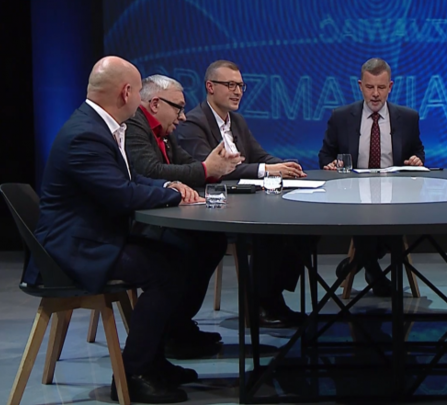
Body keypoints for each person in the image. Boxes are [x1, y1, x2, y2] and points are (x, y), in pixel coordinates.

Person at [32, 56, 205, 403]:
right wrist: (172, 195)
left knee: (181, 254)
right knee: (164, 272)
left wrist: (168, 184)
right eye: (139, 92)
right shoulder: (86, 135)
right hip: (74, 249)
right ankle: (134, 375)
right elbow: (121, 195)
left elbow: (128, 178)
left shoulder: (98, 126)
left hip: (93, 236)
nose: (140, 100)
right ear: (126, 92)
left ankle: (153, 362)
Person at [175, 60, 313, 327]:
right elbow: (213, 171)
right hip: (212, 205)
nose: (237, 91)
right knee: (269, 232)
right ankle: (261, 304)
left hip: (244, 199)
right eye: (230, 85)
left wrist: (283, 166)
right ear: (210, 87)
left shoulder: (236, 121)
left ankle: (271, 297)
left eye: (240, 86)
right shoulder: (193, 123)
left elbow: (259, 155)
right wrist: (266, 169)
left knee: (299, 227)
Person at [125, 74, 243, 359]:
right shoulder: (134, 126)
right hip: (138, 222)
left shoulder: (164, 130)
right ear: (155, 104)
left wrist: (215, 169)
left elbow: (186, 164)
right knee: (186, 247)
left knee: (211, 241)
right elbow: (150, 171)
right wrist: (205, 169)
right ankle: (170, 331)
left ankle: (179, 323)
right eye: (178, 107)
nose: (182, 116)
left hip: (160, 212)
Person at [318, 58, 426, 297]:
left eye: (381, 87)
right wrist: (330, 164)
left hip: (396, 197)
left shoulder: (408, 118)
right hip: (353, 197)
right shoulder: (341, 117)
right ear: (360, 86)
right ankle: (374, 273)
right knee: (366, 216)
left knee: (386, 218)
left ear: (390, 87)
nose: (375, 94)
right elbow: (325, 154)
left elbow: (417, 151)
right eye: (370, 87)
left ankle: (358, 263)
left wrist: (416, 160)